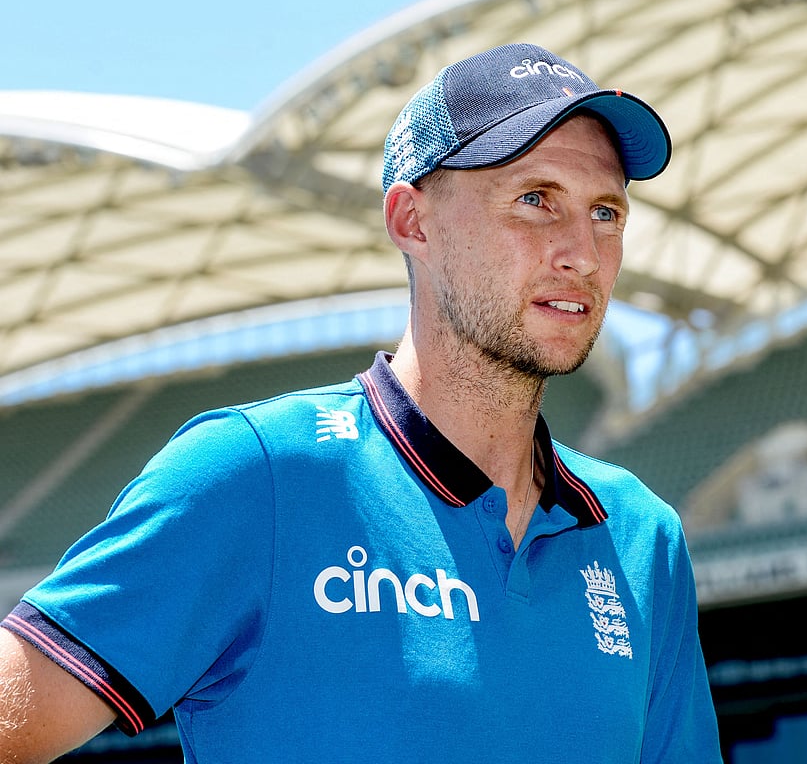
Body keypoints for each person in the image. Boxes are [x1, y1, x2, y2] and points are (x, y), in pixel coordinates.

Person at [0, 42, 723, 762]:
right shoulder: (259, 476)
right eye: (535, 200)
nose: (583, 253)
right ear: (413, 222)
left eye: (606, 213)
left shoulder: (639, 535)